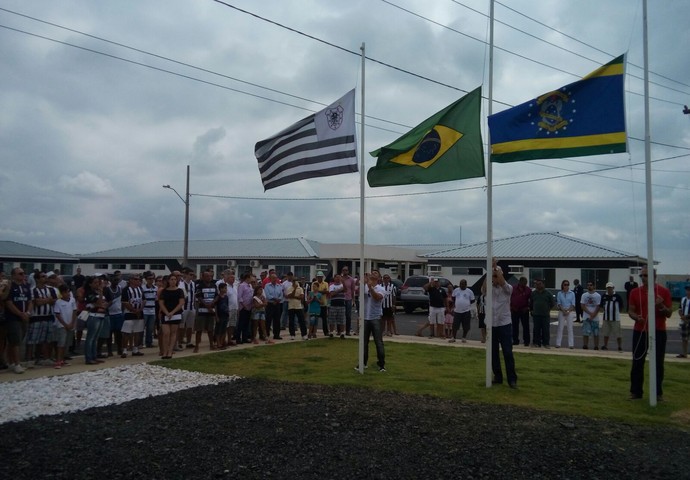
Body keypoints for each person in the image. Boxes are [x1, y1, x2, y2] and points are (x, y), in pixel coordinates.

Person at [628, 266, 672, 401]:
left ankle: (658, 393)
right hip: (640, 331)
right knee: (637, 361)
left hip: (658, 331)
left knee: (658, 362)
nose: (643, 278)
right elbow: (631, 311)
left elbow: (669, 313)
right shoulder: (635, 292)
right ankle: (636, 392)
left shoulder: (663, 292)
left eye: (646, 276)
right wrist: (637, 317)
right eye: (642, 276)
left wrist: (661, 306)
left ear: (654, 277)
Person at [482, 259, 517, 388]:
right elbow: (484, 289)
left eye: (496, 276)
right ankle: (498, 376)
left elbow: (502, 282)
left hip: (504, 324)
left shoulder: (508, 289)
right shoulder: (488, 288)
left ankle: (512, 379)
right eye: (493, 276)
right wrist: (490, 271)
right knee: (493, 353)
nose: (495, 278)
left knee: (507, 352)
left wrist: (496, 270)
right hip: (491, 324)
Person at [2, 268, 33, 373]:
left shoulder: (26, 286)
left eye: (24, 273)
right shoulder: (10, 287)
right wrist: (20, 314)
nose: (23, 275)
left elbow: (30, 301)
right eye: (20, 273)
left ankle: (11, 361)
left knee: (18, 339)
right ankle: (17, 364)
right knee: (15, 341)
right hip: (13, 317)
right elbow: (8, 303)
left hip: (24, 317)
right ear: (14, 275)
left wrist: (28, 313)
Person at [357, 270, 386, 372]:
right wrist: (363, 282)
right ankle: (363, 363)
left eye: (376, 273)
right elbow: (357, 293)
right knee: (364, 342)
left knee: (378, 342)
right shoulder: (364, 286)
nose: (373, 274)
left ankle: (381, 365)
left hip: (376, 318)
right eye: (372, 272)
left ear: (379, 278)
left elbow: (377, 297)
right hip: (365, 318)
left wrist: (370, 288)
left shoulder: (381, 288)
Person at [83, 275, 110, 365]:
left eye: (98, 282)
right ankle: (89, 357)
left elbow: (104, 303)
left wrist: (100, 304)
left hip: (101, 315)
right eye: (95, 282)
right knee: (90, 338)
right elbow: (98, 302)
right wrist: (100, 300)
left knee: (95, 338)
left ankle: (94, 356)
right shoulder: (89, 292)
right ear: (90, 284)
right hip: (93, 315)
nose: (97, 284)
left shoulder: (97, 292)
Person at [158, 273, 185, 359]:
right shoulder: (164, 291)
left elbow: (181, 303)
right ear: (168, 281)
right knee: (166, 333)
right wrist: (166, 312)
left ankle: (170, 351)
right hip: (165, 314)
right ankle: (165, 351)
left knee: (173, 333)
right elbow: (161, 303)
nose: (173, 281)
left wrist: (172, 312)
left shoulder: (179, 291)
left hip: (175, 314)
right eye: (171, 279)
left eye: (174, 279)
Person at [121, 274, 144, 358]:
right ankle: (124, 350)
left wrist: (140, 309)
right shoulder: (126, 290)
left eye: (139, 279)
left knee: (137, 332)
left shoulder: (140, 289)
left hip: (139, 313)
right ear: (130, 280)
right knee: (126, 332)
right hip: (129, 313)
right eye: (136, 279)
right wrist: (134, 310)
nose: (138, 281)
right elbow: (125, 302)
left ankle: (135, 349)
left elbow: (144, 300)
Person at [194, 269, 218, 352]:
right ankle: (196, 346)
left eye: (210, 276)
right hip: (202, 311)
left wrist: (212, 303)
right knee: (199, 329)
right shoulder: (199, 286)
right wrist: (207, 305)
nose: (209, 277)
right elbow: (199, 297)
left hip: (211, 310)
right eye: (207, 276)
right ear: (203, 277)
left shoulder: (214, 285)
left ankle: (211, 345)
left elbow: (217, 296)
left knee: (210, 329)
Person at [52, 284, 75, 368]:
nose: (67, 294)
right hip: (62, 325)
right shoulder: (58, 302)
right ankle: (58, 360)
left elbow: (74, 311)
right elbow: (58, 315)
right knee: (61, 343)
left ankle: (62, 359)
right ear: (61, 293)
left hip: (70, 324)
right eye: (65, 292)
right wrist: (65, 324)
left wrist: (72, 323)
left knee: (66, 343)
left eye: (68, 292)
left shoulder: (72, 300)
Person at [529, 278, 554, 348]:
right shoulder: (533, 293)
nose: (538, 285)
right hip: (536, 315)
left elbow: (552, 303)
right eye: (536, 284)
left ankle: (546, 343)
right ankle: (536, 343)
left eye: (539, 284)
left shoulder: (548, 293)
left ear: (543, 284)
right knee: (536, 330)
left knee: (545, 330)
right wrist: (531, 310)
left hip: (545, 315)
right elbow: (531, 303)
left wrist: (547, 309)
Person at [600, 282, 624, 352]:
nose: (609, 289)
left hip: (615, 318)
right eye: (608, 288)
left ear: (613, 288)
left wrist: (617, 312)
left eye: (610, 288)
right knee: (606, 333)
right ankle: (605, 345)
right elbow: (601, 306)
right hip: (606, 318)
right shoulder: (604, 296)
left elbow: (621, 306)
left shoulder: (617, 296)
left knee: (618, 333)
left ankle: (619, 346)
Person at [450, 279, 475, 343]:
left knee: (466, 326)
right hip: (457, 311)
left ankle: (464, 337)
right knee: (455, 325)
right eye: (460, 284)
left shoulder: (469, 291)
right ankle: (453, 338)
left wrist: (465, 303)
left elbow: (472, 300)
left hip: (466, 311)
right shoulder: (456, 290)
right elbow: (453, 298)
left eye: (463, 284)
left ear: (466, 285)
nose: (461, 285)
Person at [177, 267, 196, 350]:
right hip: (183, 308)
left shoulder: (193, 284)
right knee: (181, 326)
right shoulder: (181, 284)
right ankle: (180, 342)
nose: (192, 276)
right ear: (186, 275)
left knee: (190, 326)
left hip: (191, 307)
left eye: (193, 275)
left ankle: (189, 341)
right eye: (190, 275)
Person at [510, 277, 531, 346]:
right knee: (515, 326)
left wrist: (528, 307)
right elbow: (508, 298)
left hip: (524, 310)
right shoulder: (513, 288)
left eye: (525, 283)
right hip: (514, 310)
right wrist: (511, 307)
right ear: (519, 282)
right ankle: (515, 340)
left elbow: (531, 300)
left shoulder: (528, 290)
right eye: (523, 283)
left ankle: (526, 341)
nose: (524, 284)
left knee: (526, 326)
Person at [580, 281, 601, 350]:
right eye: (588, 285)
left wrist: (593, 314)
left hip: (595, 317)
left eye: (591, 285)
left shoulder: (598, 296)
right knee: (586, 333)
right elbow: (582, 305)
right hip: (586, 317)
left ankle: (596, 346)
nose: (589, 286)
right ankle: (585, 345)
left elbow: (598, 306)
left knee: (596, 333)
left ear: (594, 286)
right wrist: (589, 313)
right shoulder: (584, 295)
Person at [556, 280, 576, 349]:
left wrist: (568, 311)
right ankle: (558, 343)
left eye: (567, 285)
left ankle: (571, 344)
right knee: (560, 328)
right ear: (562, 285)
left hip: (569, 311)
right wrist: (563, 310)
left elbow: (573, 304)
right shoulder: (559, 293)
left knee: (570, 328)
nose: (566, 286)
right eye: (565, 284)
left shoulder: (572, 293)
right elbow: (558, 303)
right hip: (562, 311)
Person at [264, 273, 284, 340]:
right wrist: (275, 299)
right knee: (268, 320)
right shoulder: (267, 286)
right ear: (270, 279)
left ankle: (276, 334)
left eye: (276, 278)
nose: (275, 279)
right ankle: (266, 334)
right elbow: (267, 295)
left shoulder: (279, 286)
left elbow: (281, 295)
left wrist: (278, 300)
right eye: (273, 278)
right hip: (270, 304)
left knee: (277, 320)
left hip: (277, 304)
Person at [236, 272, 254, 344]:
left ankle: (244, 337)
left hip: (249, 307)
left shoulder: (249, 286)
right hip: (243, 307)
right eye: (251, 277)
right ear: (247, 278)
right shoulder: (242, 286)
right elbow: (239, 297)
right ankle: (238, 338)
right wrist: (244, 305)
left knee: (246, 323)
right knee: (241, 323)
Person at [312, 271, 330, 337]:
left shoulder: (325, 283)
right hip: (316, 303)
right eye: (318, 277)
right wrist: (323, 291)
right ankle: (313, 333)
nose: (320, 278)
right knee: (314, 319)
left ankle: (326, 332)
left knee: (324, 319)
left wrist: (318, 291)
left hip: (323, 303)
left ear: (322, 277)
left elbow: (327, 292)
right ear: (317, 277)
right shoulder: (314, 283)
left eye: (321, 277)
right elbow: (313, 292)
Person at [341, 266, 356, 335]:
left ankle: (348, 331)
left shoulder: (351, 280)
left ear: (348, 271)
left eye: (346, 270)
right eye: (343, 270)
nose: (345, 271)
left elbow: (353, 290)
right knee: (340, 315)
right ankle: (340, 331)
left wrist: (353, 300)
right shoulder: (339, 278)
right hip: (340, 298)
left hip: (348, 298)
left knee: (348, 315)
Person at [214, 283, 230, 349]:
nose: (226, 289)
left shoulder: (226, 297)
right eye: (224, 288)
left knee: (224, 330)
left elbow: (227, 306)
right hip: (220, 315)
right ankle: (218, 343)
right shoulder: (218, 297)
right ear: (220, 289)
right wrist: (216, 316)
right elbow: (215, 307)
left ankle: (221, 342)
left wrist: (228, 314)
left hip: (225, 315)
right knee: (218, 330)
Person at [677, 285, 690, 358]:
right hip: (684, 321)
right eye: (687, 290)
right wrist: (682, 316)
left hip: (687, 319)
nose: (688, 292)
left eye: (689, 290)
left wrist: (686, 317)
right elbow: (679, 309)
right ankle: (684, 353)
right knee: (684, 338)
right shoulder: (683, 299)